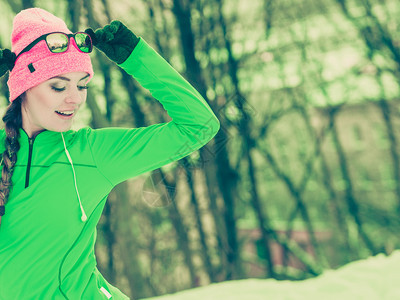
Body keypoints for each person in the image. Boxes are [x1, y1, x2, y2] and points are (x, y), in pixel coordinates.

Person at [0, 7, 220, 300]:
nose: (75, 98)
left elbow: (199, 125)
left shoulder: (91, 153)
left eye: (82, 85)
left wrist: (136, 57)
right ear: (24, 88)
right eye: (58, 86)